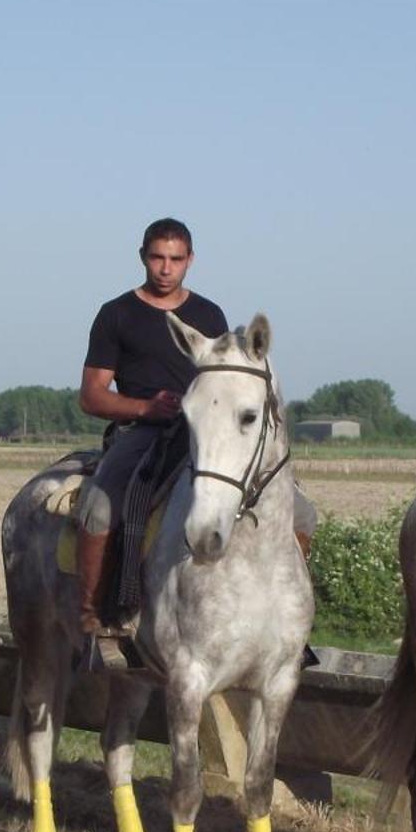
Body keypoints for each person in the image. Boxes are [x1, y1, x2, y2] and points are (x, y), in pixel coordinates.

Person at [75, 218, 317, 651]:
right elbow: (92, 396)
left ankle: (285, 618)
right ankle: (98, 621)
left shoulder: (209, 315)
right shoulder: (117, 315)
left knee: (302, 513)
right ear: (143, 257)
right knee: (97, 507)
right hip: (142, 432)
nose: (166, 268)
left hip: (204, 434)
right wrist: (145, 407)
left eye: (175, 259)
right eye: (157, 258)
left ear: (190, 261)